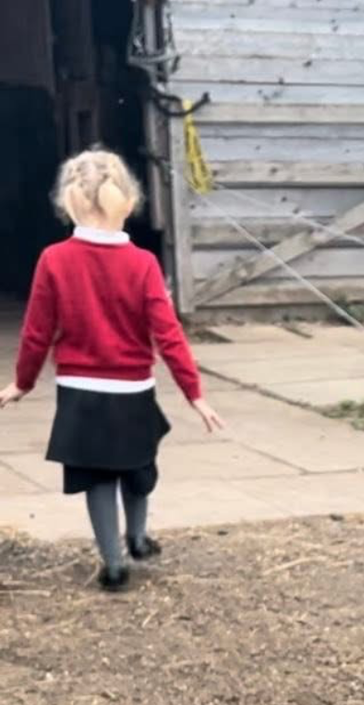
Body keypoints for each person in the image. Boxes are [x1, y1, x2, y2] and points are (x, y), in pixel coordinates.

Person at [0, 147, 223, 590]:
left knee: (97, 474)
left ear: (69, 203)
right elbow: (168, 334)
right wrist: (193, 393)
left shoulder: (54, 260)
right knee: (139, 466)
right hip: (133, 388)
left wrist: (22, 383)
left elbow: (36, 333)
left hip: (80, 391)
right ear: (129, 200)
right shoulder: (142, 264)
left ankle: (113, 563)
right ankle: (138, 537)